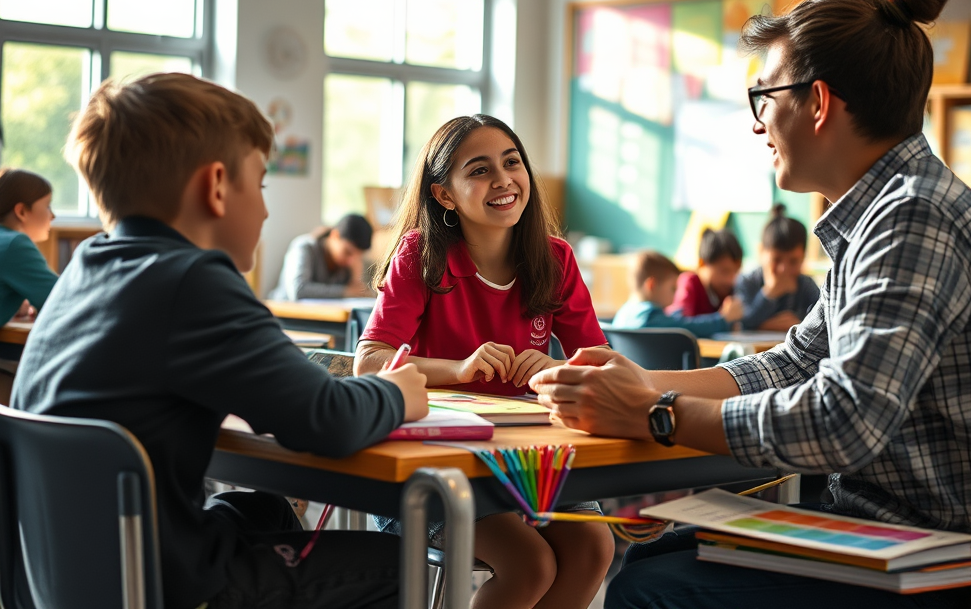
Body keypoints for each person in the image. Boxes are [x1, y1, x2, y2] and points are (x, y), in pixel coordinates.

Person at [531, 0, 971, 609]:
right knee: (659, 551)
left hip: (920, 558)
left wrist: (655, 415)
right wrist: (644, 385)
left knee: (645, 586)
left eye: (763, 98)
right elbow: (801, 360)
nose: (756, 124)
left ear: (820, 103)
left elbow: (844, 421)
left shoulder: (913, 216)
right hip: (878, 531)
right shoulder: (886, 209)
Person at [10, 73, 428, 609]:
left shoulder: (86, 268)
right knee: (401, 564)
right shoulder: (193, 279)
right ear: (215, 187)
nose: (266, 208)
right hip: (166, 587)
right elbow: (327, 420)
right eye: (260, 184)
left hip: (72, 578)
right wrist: (396, 393)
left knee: (268, 511)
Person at [354, 114, 615, 609]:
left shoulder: (554, 258)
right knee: (530, 563)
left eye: (512, 162)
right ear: (444, 194)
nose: (503, 180)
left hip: (523, 460)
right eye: (478, 170)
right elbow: (369, 362)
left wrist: (550, 369)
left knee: (593, 546)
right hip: (433, 467)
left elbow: (597, 364)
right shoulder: (421, 254)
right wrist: (456, 370)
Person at [0, 167, 57, 404]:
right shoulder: (14, 243)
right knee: (54, 400)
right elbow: (63, 302)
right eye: (47, 205)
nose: (53, 215)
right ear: (21, 211)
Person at [612, 250, 742, 337]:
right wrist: (723, 320)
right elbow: (687, 328)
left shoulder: (623, 314)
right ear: (651, 285)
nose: (676, 293)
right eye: (673, 288)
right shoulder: (649, 317)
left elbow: (672, 321)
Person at [735, 204, 820, 332]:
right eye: (776, 260)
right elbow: (740, 324)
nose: (783, 269)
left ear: (803, 257)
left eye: (793, 261)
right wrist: (769, 293)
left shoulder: (806, 286)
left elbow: (822, 324)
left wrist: (798, 324)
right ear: (761, 252)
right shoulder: (746, 282)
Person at [269, 212, 374, 299]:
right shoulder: (304, 247)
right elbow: (298, 290)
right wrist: (346, 292)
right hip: (284, 317)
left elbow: (362, 293)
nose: (350, 260)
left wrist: (355, 279)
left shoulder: (347, 265)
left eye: (357, 256)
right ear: (335, 235)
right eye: (347, 252)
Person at [666, 228, 744, 322]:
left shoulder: (729, 291)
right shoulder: (689, 283)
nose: (731, 280)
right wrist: (722, 319)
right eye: (724, 271)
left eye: (736, 272)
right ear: (702, 263)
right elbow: (681, 323)